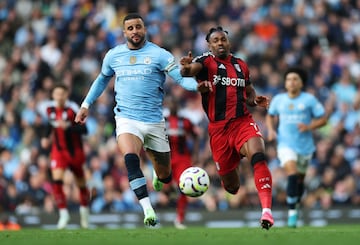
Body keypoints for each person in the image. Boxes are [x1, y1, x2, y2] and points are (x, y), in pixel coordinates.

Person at [74, 13, 211, 227]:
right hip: (127, 118)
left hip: (154, 122)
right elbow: (101, 80)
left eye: (138, 27)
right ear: (124, 32)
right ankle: (148, 209)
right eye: (130, 28)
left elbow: (181, 80)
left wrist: (198, 87)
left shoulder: (159, 55)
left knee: (166, 177)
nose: (135, 31)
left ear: (144, 29)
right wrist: (85, 105)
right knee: (130, 158)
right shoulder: (114, 55)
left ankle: (157, 173)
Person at [180, 26, 274, 230]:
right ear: (209, 45)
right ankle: (233, 166)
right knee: (232, 187)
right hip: (219, 131)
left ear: (228, 42)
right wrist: (185, 68)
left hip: (242, 122)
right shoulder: (205, 61)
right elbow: (189, 71)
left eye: (223, 39)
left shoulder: (241, 65)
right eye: (215, 41)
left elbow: (248, 91)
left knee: (258, 155)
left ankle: (266, 210)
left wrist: (254, 100)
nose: (220, 43)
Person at [265, 67, 328, 227]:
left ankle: (296, 203)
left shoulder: (309, 100)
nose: (291, 82)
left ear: (301, 83)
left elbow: (323, 119)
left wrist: (309, 126)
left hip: (305, 147)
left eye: (295, 79)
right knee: (292, 174)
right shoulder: (279, 99)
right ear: (285, 83)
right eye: (289, 79)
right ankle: (292, 212)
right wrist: (271, 130)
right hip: (285, 145)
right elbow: (270, 115)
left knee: (299, 180)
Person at [39, 84, 90, 229]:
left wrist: (69, 127)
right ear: (53, 96)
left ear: (66, 94)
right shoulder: (49, 109)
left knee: (81, 184)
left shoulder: (73, 109)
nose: (59, 97)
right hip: (58, 151)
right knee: (57, 181)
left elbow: (84, 129)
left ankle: (84, 214)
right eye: (56, 94)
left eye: (62, 94)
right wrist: (45, 137)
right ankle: (63, 214)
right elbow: (50, 125)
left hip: (75, 152)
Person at [164, 97, 200, 229]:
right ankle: (171, 194)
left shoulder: (185, 122)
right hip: (166, 159)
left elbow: (196, 136)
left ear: (178, 107)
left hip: (182, 159)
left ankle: (180, 218)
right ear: (168, 106)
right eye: (171, 104)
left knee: (185, 187)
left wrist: (195, 154)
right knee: (165, 189)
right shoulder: (162, 122)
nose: (173, 107)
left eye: (175, 104)